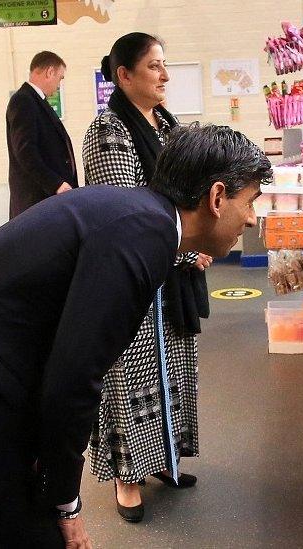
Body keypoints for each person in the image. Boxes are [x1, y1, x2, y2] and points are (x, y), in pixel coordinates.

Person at [0, 124, 272, 549]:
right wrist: (66, 503)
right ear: (217, 197)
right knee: (42, 536)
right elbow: (76, 377)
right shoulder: (144, 234)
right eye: (249, 202)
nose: (251, 218)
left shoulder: (135, 212)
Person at [82, 32, 212, 523]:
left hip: (173, 272)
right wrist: (184, 252)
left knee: (173, 370)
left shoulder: (167, 125)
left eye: (165, 65)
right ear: (124, 75)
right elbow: (128, 211)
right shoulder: (109, 129)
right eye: (154, 66)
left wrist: (196, 241)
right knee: (132, 378)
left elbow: (188, 190)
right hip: (132, 275)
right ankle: (127, 477)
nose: (164, 75)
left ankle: (165, 459)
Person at [6, 51, 78, 219]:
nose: (59, 85)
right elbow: (25, 151)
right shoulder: (23, 100)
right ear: (50, 72)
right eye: (60, 78)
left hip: (48, 199)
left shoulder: (36, 100)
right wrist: (56, 184)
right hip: (37, 200)